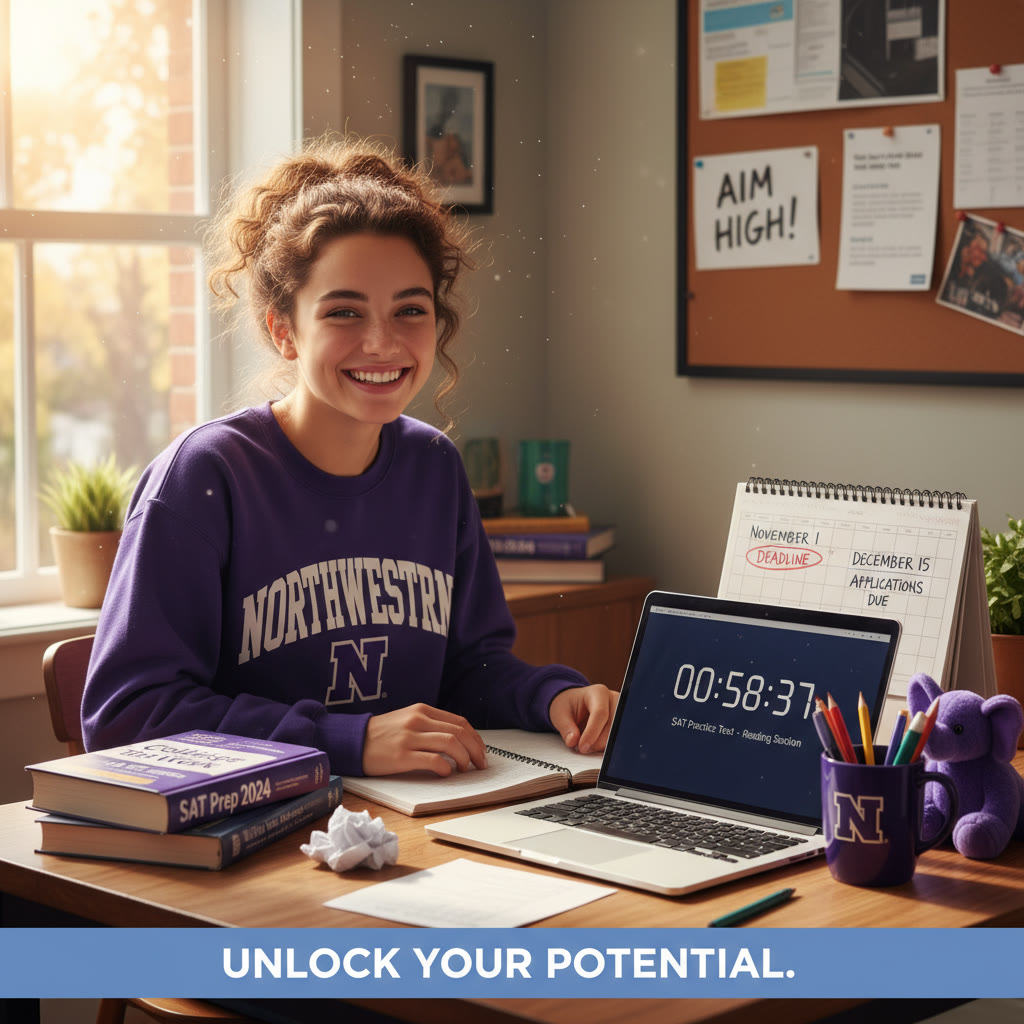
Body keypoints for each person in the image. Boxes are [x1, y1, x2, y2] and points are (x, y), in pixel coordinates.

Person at [81, 136, 617, 778]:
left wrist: (550, 695)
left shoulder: (435, 468)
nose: (382, 342)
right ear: (284, 330)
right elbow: (127, 715)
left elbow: (470, 671)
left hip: (407, 827)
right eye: (343, 312)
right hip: (255, 841)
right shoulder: (208, 477)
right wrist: (348, 739)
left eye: (410, 310)